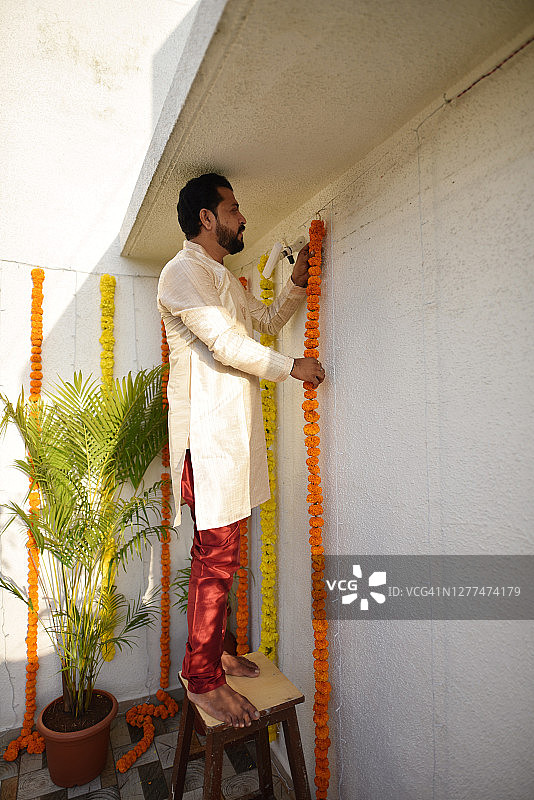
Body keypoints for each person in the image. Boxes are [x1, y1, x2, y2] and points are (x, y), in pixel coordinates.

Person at [157, 173, 325, 728]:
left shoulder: (223, 279)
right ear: (207, 218)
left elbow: (264, 324)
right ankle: (202, 679)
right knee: (217, 556)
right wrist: (292, 369)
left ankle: (222, 652)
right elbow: (228, 345)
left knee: (224, 552)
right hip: (205, 443)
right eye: (234, 208)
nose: (243, 217)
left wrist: (296, 284)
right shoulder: (181, 273)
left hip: (232, 438)